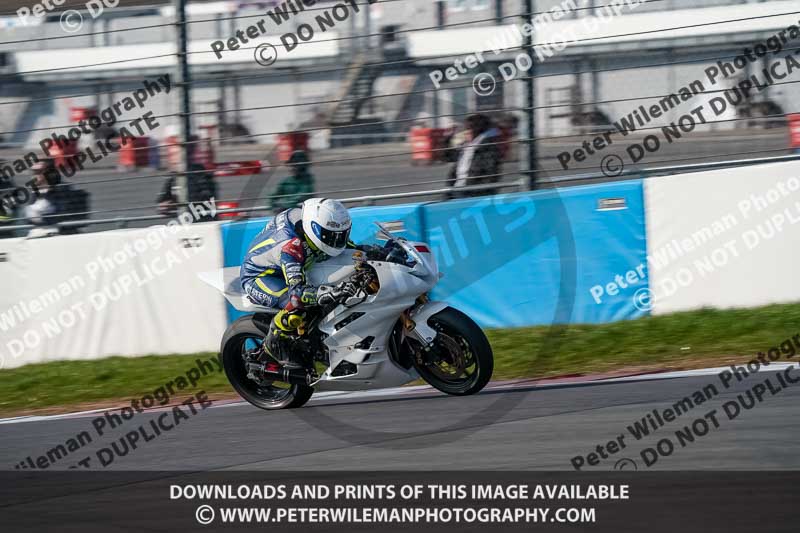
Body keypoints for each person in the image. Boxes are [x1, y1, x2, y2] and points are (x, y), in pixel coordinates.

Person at [240, 198, 371, 369]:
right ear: (314, 229)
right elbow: (297, 294)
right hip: (262, 276)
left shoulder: (315, 225)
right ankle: (275, 344)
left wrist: (374, 251)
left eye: (341, 235)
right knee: (296, 308)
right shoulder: (291, 247)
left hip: (295, 265)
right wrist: (331, 292)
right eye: (330, 236)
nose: (337, 241)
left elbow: (351, 250)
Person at [24, 159, 89, 236]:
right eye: (33, 172)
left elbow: (63, 215)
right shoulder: (34, 192)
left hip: (57, 233)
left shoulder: (62, 189)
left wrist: (40, 217)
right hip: (38, 232)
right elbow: (29, 219)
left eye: (38, 172)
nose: (34, 175)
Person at [445, 113, 503, 199]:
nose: (463, 133)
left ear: (475, 130)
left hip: (472, 193)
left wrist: (476, 195)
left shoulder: (487, 147)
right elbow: (447, 157)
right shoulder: (466, 146)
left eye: (466, 129)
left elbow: (491, 175)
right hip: (458, 190)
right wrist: (448, 138)